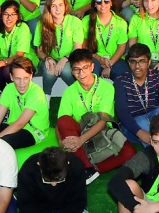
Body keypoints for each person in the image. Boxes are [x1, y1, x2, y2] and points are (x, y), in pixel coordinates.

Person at [56, 49, 134, 177]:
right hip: (79, 132)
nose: (81, 73)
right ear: (71, 71)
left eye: (85, 68)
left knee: (129, 153)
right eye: (76, 69)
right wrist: (61, 142)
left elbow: (103, 122)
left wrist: (81, 140)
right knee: (64, 120)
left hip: (101, 132)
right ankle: (87, 167)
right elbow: (61, 122)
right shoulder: (69, 92)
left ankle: (84, 164)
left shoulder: (107, 87)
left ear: (92, 67)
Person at [114, 43, 159, 145]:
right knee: (141, 122)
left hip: (154, 116)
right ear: (128, 63)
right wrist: (140, 133)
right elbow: (122, 113)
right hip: (134, 123)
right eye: (133, 62)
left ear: (149, 62)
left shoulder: (157, 77)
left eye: (142, 61)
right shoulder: (121, 81)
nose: (137, 66)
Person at [34, 0, 85, 94]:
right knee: (50, 71)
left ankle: (79, 93)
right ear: (48, 8)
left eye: (60, 5)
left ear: (65, 6)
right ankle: (46, 98)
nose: (58, 9)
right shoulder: (41, 24)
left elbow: (77, 48)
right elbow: (39, 51)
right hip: (51, 58)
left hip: (71, 57)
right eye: (54, 6)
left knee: (66, 70)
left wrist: (65, 59)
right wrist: (47, 58)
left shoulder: (75, 22)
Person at [0, 57, 49, 150]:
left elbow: (20, 123)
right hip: (13, 125)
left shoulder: (36, 93)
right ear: (11, 77)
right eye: (18, 78)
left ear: (31, 76)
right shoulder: (9, 89)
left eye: (26, 78)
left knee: (3, 143)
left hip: (33, 131)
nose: (22, 83)